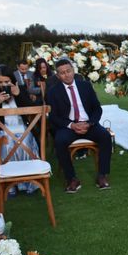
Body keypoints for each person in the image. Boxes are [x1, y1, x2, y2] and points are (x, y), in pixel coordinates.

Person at [47, 58, 112, 193]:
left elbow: (97, 108)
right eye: (62, 73)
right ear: (58, 76)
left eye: (68, 71)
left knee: (105, 136)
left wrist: (89, 123)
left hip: (89, 124)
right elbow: (53, 117)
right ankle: (72, 179)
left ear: (73, 70)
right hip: (68, 126)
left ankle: (102, 175)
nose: (67, 75)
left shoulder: (85, 86)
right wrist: (71, 125)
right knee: (59, 141)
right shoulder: (53, 92)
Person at [0, 65, 39, 196]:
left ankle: (27, 183)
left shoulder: (21, 89)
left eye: (7, 82)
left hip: (23, 128)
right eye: (1, 82)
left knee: (25, 141)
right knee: (7, 144)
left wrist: (18, 95)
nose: (4, 85)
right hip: (3, 129)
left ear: (12, 80)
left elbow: (32, 109)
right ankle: (10, 185)